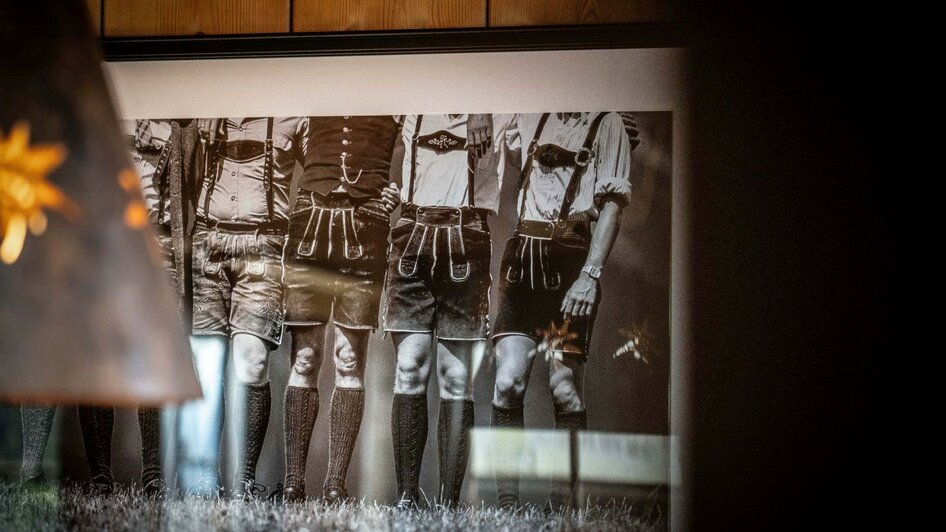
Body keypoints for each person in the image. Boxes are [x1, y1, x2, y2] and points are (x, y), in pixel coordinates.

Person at [490, 112, 636, 510]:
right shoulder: (528, 111)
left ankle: (562, 507)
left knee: (565, 388)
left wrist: (590, 275)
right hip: (522, 259)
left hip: (570, 261)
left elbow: (612, 207)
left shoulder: (609, 123)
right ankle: (507, 507)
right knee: (507, 382)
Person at [382, 113, 506, 508]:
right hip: (412, 235)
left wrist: (610, 119)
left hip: (466, 239)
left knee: (455, 379)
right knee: (409, 368)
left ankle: (448, 504)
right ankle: (406, 497)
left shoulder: (500, 107)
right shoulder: (412, 101)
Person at [280, 115, 401, 503]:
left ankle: (335, 485)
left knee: (349, 359)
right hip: (309, 220)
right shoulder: (312, 86)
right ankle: (294, 484)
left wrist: (401, 189)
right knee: (305, 357)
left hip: (366, 224)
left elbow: (421, 145)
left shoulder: (400, 97)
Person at [193, 117, 309, 500]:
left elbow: (322, 174)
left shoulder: (294, 116)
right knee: (206, 367)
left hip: (264, 249)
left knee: (253, 362)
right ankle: (204, 477)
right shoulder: (203, 110)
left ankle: (243, 479)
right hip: (208, 245)